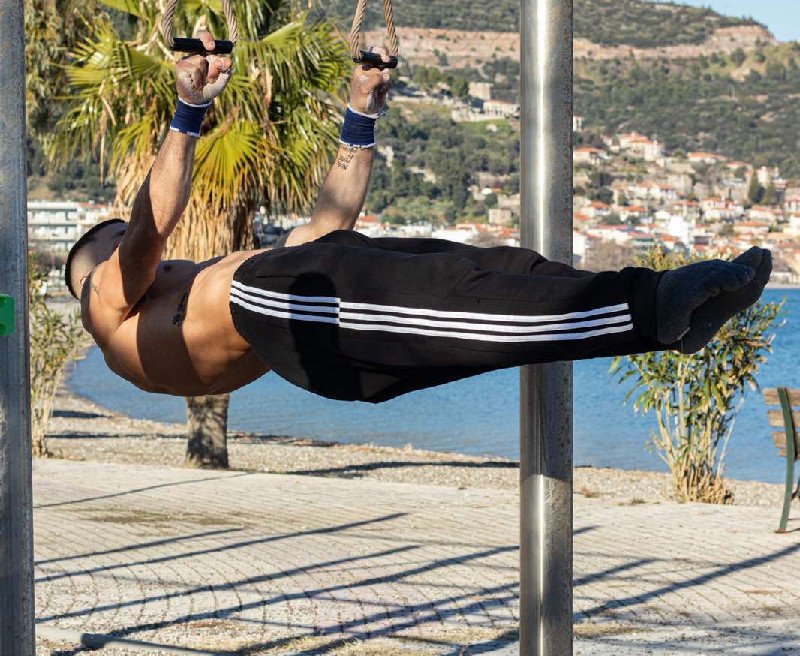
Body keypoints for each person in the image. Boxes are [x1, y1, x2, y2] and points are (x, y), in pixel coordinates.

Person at [66, 33, 773, 403]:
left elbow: (328, 222)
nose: (129, 245)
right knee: (454, 295)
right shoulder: (107, 306)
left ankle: (667, 318)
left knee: (483, 269)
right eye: (111, 241)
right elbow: (150, 227)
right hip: (287, 312)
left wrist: (361, 110)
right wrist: (188, 111)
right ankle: (653, 309)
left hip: (306, 318)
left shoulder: (199, 296)